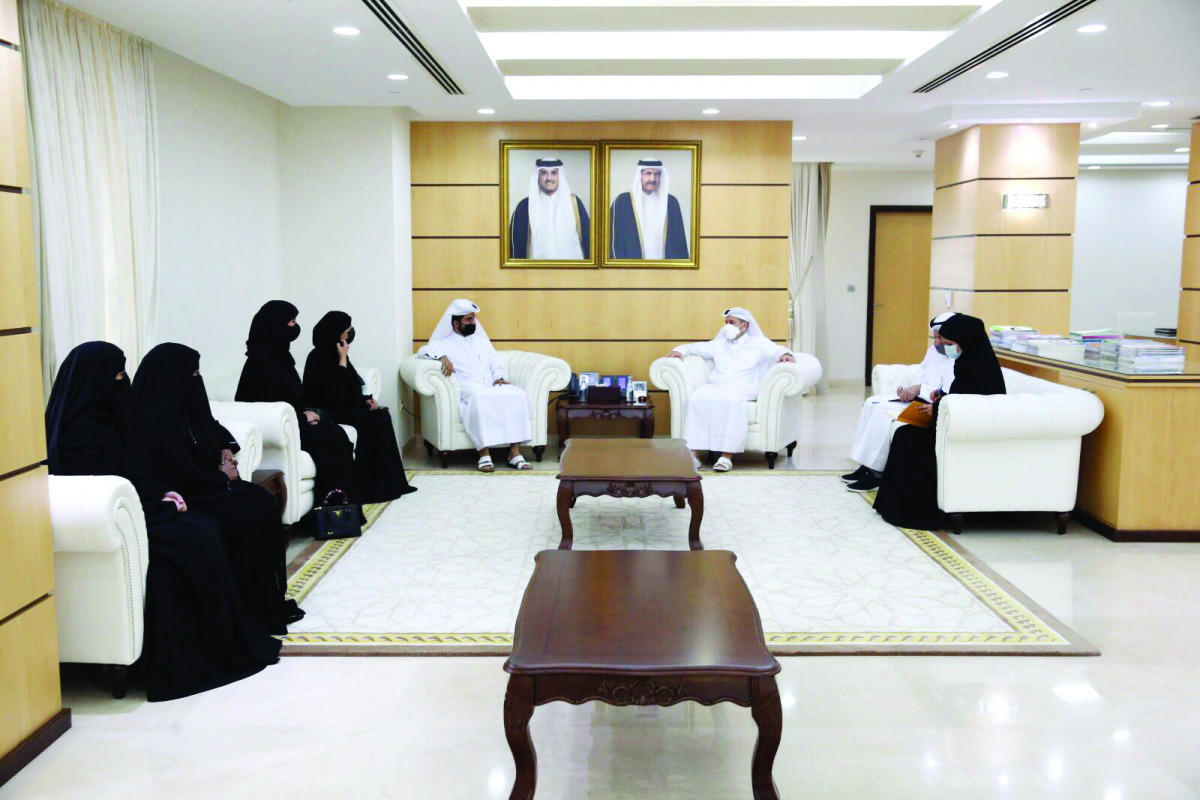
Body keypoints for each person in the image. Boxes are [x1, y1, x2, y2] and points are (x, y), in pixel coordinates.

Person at [46, 342, 281, 701]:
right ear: (94, 381)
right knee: (201, 535)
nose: (125, 382)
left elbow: (135, 475)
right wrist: (161, 501)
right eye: (118, 375)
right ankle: (207, 653)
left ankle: (235, 631)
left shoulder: (107, 421)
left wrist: (161, 494)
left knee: (209, 527)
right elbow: (106, 492)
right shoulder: (79, 435)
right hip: (117, 526)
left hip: (135, 514)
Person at [132, 342, 302, 636]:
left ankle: (268, 602)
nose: (197, 380)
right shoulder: (155, 422)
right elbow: (178, 475)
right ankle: (250, 610)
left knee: (263, 501)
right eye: (192, 374)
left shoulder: (187, 407)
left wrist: (225, 448)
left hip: (209, 486)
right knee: (250, 514)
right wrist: (221, 477)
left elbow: (212, 426)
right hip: (189, 497)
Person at [872, 314, 1006, 531]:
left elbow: (976, 404)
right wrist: (941, 397)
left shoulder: (982, 368)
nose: (944, 347)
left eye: (949, 343)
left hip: (965, 431)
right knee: (904, 432)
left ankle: (912, 512)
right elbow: (961, 395)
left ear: (965, 341)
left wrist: (936, 409)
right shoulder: (966, 362)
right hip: (954, 424)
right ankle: (893, 506)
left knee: (910, 439)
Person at [236, 301, 359, 513]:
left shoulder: (279, 356)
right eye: (292, 322)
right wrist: (303, 417)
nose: (296, 327)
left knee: (336, 435)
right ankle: (331, 513)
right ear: (276, 326)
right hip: (283, 428)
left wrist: (304, 412)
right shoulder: (262, 362)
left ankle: (342, 509)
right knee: (333, 439)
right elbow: (268, 404)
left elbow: (292, 396)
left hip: (294, 421)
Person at [301, 311, 416, 502]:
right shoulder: (318, 358)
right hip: (329, 410)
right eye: (347, 330)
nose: (351, 333)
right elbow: (333, 394)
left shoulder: (336, 352)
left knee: (381, 414)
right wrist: (342, 360)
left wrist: (365, 400)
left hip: (343, 407)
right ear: (336, 333)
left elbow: (350, 387)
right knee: (372, 421)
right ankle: (373, 489)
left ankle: (392, 484)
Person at [667, 307, 796, 472]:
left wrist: (786, 355)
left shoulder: (758, 343)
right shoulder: (720, 344)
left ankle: (726, 456)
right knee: (694, 399)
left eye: (732, 322)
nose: (727, 326)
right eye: (726, 322)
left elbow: (777, 350)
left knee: (731, 401)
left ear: (744, 325)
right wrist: (678, 351)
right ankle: (693, 455)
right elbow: (694, 348)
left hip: (744, 387)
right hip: (717, 386)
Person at [842, 312, 958, 493]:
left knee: (882, 412)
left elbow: (945, 390)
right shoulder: (934, 352)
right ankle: (865, 464)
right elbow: (922, 375)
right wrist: (908, 389)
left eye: (940, 339)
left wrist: (920, 390)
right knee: (871, 403)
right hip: (917, 398)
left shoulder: (957, 357)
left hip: (929, 405)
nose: (936, 343)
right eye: (935, 338)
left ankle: (876, 473)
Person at [416, 299, 533, 473]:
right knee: (480, 398)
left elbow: (495, 362)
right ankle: (484, 454)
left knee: (518, 394)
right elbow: (422, 351)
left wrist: (498, 377)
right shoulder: (443, 344)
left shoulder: (482, 342)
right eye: (468, 319)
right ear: (456, 323)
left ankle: (514, 453)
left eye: (474, 318)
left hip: (489, 384)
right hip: (467, 386)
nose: (473, 322)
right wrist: (442, 357)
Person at [509, 157, 590, 260]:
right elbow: (514, 246)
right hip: (536, 268)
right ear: (538, 176)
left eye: (554, 173)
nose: (549, 178)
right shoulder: (524, 207)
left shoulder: (574, 203)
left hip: (572, 267)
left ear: (560, 175)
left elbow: (589, 240)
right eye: (544, 173)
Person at [609, 158, 689, 259]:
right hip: (632, 267)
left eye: (657, 174)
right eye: (648, 173)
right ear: (640, 176)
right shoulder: (622, 202)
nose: (653, 178)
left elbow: (680, 241)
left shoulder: (671, 202)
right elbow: (612, 240)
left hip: (665, 267)